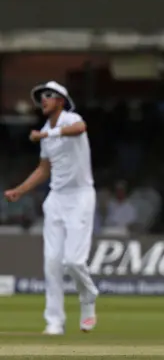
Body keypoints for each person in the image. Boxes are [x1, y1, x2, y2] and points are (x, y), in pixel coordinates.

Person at [4, 81, 98, 335]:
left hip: (80, 197)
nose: (43, 100)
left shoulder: (70, 119)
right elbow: (44, 169)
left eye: (48, 95)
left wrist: (47, 135)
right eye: (41, 96)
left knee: (74, 261)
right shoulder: (46, 130)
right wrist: (19, 190)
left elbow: (81, 128)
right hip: (56, 199)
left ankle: (88, 299)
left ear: (61, 100)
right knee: (52, 263)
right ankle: (54, 321)